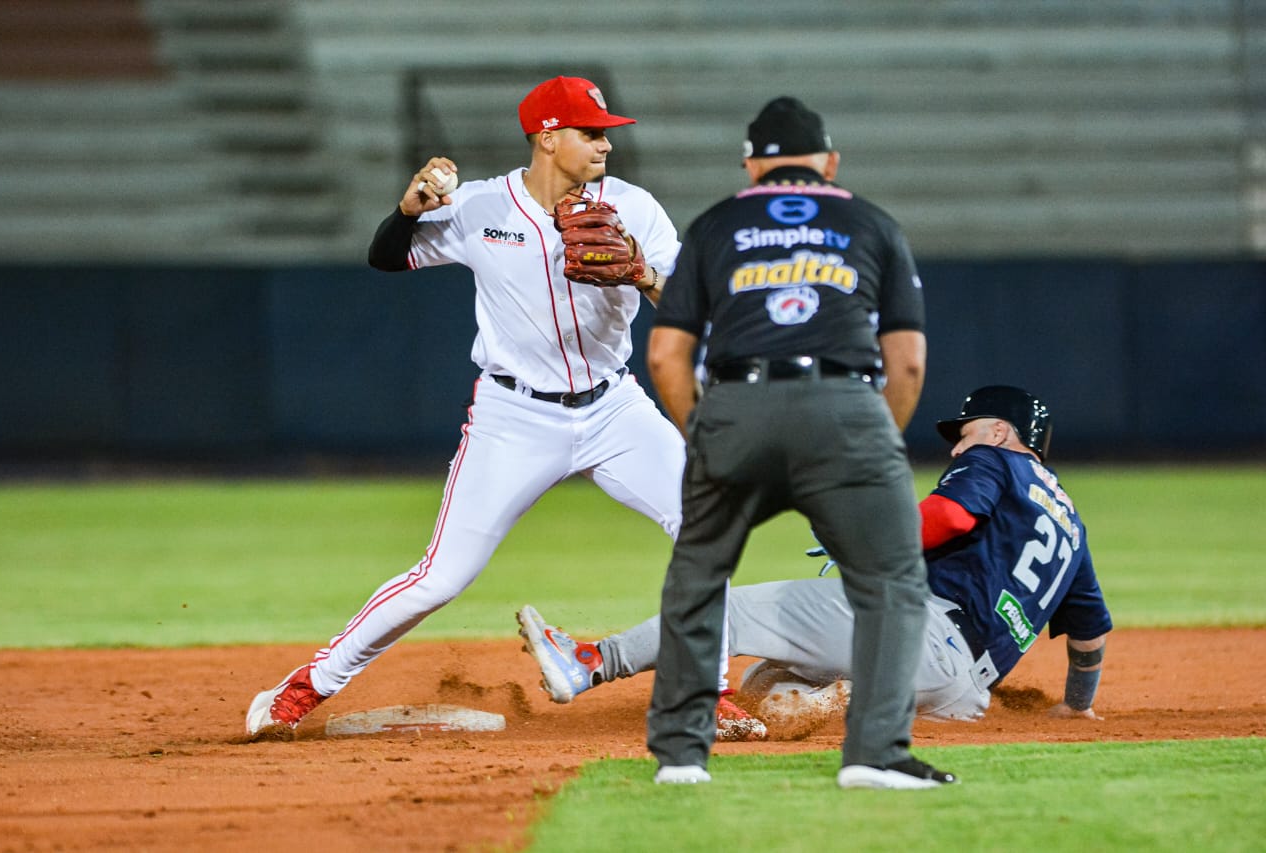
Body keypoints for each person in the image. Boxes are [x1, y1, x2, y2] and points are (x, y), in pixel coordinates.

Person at [244, 75, 759, 740]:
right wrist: (406, 210)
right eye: (590, 131)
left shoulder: (634, 207)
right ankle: (304, 685)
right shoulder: (483, 206)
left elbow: (695, 310)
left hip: (614, 408)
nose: (605, 143)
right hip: (515, 417)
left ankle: (707, 693)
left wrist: (641, 272)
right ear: (547, 137)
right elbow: (386, 257)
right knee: (441, 576)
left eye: (606, 132)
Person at [638, 94, 948, 788]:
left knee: (698, 578)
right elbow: (908, 363)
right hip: (846, 408)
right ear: (830, 163)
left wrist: (706, 432)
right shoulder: (872, 223)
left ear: (752, 166)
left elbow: (664, 356)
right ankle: (875, 753)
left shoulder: (715, 225)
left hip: (736, 403)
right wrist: (872, 443)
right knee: (891, 581)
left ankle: (683, 758)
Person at [517, 385, 1113, 732]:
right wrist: (1075, 708)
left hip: (920, 633)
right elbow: (1089, 637)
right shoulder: (1073, 527)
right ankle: (835, 699)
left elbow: (953, 516)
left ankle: (592, 661)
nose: (958, 441)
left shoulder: (995, 461)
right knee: (766, 677)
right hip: (962, 696)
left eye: (968, 429)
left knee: (730, 611)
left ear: (1004, 432)